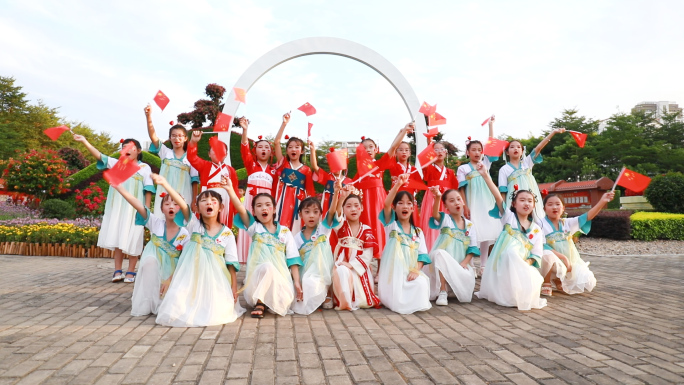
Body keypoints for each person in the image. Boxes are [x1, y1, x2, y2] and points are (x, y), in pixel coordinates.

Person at [155, 176, 244, 327]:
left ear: (221, 207)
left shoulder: (227, 233)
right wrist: (165, 184)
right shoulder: (193, 225)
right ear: (196, 207)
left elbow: (231, 262)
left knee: (216, 310)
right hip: (190, 277)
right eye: (204, 200)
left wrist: (234, 286)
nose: (209, 202)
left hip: (215, 278)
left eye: (213, 201)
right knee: (175, 305)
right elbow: (183, 206)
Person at [73, 134, 155, 283]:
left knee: (134, 238)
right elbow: (99, 155)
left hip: (134, 210)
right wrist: (85, 141)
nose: (126, 150)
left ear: (138, 150)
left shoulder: (144, 168)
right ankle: (117, 270)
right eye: (123, 148)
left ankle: (131, 271)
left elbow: (148, 189)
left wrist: (146, 210)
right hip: (117, 209)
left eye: (130, 147)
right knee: (119, 237)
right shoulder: (118, 164)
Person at [108, 177, 190, 316]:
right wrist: (120, 187)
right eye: (167, 203)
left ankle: (163, 300)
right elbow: (137, 204)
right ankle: (147, 301)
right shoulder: (155, 223)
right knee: (149, 262)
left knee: (170, 306)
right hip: (153, 267)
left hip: (172, 274)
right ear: (161, 209)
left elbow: (185, 263)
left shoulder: (185, 234)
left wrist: (170, 280)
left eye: (176, 204)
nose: (171, 206)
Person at [475, 163, 547, 311]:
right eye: (522, 200)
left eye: (529, 201)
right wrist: (485, 175)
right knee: (511, 252)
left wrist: (527, 262)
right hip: (505, 260)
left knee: (530, 278)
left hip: (524, 263)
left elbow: (537, 252)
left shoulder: (536, 229)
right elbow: (496, 195)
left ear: (534, 205)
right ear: (514, 204)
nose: (526, 203)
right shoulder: (509, 217)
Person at [230, 187, 303, 318]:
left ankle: (271, 301)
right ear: (253, 212)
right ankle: (260, 302)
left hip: (280, 283)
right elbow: (240, 209)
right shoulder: (254, 228)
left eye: (268, 205)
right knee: (267, 267)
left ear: (274, 209)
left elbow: (293, 258)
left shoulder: (285, 232)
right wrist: (230, 189)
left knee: (282, 298)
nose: (264, 208)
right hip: (255, 285)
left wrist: (297, 282)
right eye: (259, 206)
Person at [540, 191, 614, 295]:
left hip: (569, 263)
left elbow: (587, 216)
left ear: (563, 208)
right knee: (546, 255)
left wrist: (602, 201)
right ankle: (546, 283)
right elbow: (542, 245)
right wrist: (563, 257)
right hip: (550, 261)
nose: (554, 207)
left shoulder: (567, 223)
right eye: (550, 204)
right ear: (544, 208)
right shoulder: (540, 224)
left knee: (587, 281)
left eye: (558, 204)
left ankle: (558, 279)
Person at [377, 174, 431, 314]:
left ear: (413, 208)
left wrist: (415, 270)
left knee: (421, 284)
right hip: (394, 272)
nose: (405, 206)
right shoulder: (391, 226)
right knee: (397, 299)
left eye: (409, 203)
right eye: (400, 203)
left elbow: (423, 256)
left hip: (410, 271)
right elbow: (386, 203)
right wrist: (398, 184)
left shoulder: (418, 232)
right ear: (395, 207)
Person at [457, 118, 501, 275]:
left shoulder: (485, 164)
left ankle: (483, 265)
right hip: (472, 202)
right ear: (467, 152)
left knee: (487, 232)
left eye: (479, 150)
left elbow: (492, 145)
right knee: (472, 232)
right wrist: (464, 205)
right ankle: (470, 264)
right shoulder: (463, 168)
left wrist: (491, 126)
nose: (477, 152)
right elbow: (461, 188)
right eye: (473, 149)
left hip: (487, 202)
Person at [291, 186, 342, 314]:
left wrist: (336, 193)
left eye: (315, 212)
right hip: (306, 273)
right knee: (307, 283)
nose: (311, 216)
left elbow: (331, 212)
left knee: (313, 282)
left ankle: (327, 293)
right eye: (307, 212)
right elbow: (294, 261)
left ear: (320, 214)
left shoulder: (323, 230)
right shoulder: (297, 238)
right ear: (300, 214)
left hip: (322, 272)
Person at [498, 123, 565, 219]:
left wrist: (553, 132)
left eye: (518, 147)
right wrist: (503, 209)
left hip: (531, 197)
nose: (515, 149)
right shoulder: (504, 169)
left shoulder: (527, 163)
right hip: (513, 201)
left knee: (535, 220)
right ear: (507, 152)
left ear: (522, 151)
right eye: (512, 147)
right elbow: (503, 192)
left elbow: (538, 148)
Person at [330, 186, 381, 310]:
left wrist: (352, 264)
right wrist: (341, 198)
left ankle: (350, 300)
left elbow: (368, 255)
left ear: (362, 208)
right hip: (341, 263)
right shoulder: (340, 226)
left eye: (356, 205)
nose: (353, 209)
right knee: (341, 271)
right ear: (343, 209)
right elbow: (336, 216)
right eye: (348, 206)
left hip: (359, 268)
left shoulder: (366, 229)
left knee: (361, 299)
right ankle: (344, 302)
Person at [426, 187, 479, 306]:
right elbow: (435, 214)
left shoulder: (470, 225)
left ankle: (452, 287)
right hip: (442, 260)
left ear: (463, 202)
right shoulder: (445, 220)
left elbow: (472, 248)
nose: (456, 202)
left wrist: (465, 262)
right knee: (439, 253)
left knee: (466, 296)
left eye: (458, 199)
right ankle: (443, 291)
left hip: (460, 263)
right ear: (445, 206)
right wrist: (438, 197)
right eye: (451, 200)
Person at [144, 104, 199, 214]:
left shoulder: (191, 158)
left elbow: (194, 182)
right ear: (170, 138)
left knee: (181, 225)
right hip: (164, 195)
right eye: (173, 136)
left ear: (185, 138)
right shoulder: (165, 152)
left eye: (180, 136)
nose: (176, 138)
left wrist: (194, 201)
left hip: (184, 196)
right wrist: (149, 116)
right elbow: (153, 136)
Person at [237, 117, 277, 264]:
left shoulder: (274, 170)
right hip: (251, 200)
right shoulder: (251, 164)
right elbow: (244, 147)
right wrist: (245, 130)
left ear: (271, 152)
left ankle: (265, 255)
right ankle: (246, 256)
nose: (264, 149)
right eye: (260, 147)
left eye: (267, 147)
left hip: (267, 202)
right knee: (250, 225)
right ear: (255, 151)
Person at [187, 130, 239, 227]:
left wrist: (237, 211)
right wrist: (193, 142)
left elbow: (235, 191)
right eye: (214, 150)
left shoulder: (230, 170)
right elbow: (192, 157)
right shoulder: (204, 166)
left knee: (223, 227)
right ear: (209, 154)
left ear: (226, 154)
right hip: (208, 201)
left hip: (226, 202)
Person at [273, 112, 315, 233]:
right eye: (290, 147)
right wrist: (284, 124)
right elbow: (276, 142)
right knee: (279, 228)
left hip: (298, 203)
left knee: (295, 231)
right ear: (286, 150)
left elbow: (310, 191)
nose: (293, 149)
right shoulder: (283, 163)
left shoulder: (306, 169)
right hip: (281, 201)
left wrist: (310, 209)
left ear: (301, 151)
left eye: (297, 147)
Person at [376, 122, 425, 224]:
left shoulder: (413, 170)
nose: (404, 152)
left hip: (410, 201)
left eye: (406, 150)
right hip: (396, 200)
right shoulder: (393, 165)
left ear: (410, 153)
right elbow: (393, 147)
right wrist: (402, 132)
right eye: (401, 150)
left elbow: (419, 186)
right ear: (396, 152)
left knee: (412, 226)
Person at [420, 141, 458, 250]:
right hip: (431, 196)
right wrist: (429, 147)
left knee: (446, 221)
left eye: (441, 149)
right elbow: (423, 163)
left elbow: (455, 188)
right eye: (436, 150)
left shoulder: (450, 172)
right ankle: (430, 247)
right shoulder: (429, 168)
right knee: (431, 220)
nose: (439, 152)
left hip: (446, 198)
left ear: (446, 152)